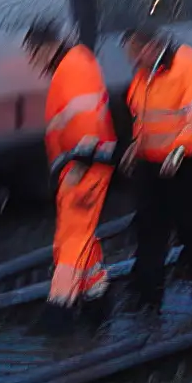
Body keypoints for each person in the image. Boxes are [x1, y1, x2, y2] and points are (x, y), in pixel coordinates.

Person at [121, 25, 192, 314]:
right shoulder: (144, 72)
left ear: (151, 46)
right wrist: (136, 145)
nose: (132, 59)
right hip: (152, 165)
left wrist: (180, 150)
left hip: (184, 166)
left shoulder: (187, 66)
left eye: (135, 51)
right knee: (149, 231)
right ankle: (148, 299)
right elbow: (143, 114)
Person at [25, 19, 116, 313]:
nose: (33, 59)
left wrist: (80, 162)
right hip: (78, 163)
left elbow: (88, 119)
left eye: (35, 51)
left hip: (86, 164)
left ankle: (59, 308)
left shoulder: (74, 67)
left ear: (51, 46)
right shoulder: (71, 66)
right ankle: (97, 293)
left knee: (72, 236)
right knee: (78, 232)